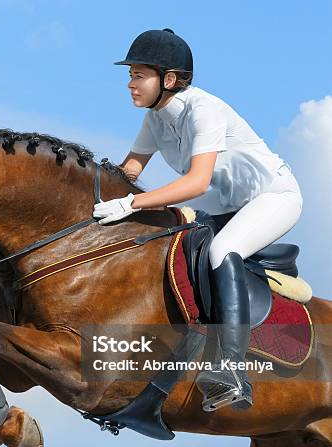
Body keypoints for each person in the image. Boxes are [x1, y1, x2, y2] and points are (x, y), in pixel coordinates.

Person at [93, 28, 303, 412]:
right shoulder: (155, 119)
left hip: (273, 197)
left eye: (139, 75)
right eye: (130, 75)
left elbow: (196, 181)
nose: (129, 84)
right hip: (222, 209)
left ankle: (232, 371)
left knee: (223, 249)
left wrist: (132, 204)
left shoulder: (203, 110)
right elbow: (129, 172)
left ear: (168, 80)